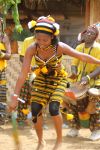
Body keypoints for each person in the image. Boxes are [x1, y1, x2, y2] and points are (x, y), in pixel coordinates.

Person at [9, 16, 100, 150]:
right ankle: (40, 141)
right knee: (35, 110)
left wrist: (99, 62)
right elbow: (23, 74)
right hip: (41, 79)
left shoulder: (60, 47)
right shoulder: (31, 49)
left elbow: (81, 56)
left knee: (53, 108)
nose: (41, 43)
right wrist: (15, 97)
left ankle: (59, 141)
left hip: (58, 79)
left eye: (45, 40)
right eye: (38, 39)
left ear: (52, 37)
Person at [66, 24, 100, 141]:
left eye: (92, 33)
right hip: (80, 82)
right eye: (87, 32)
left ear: (96, 36)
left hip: (95, 81)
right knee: (74, 105)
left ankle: (96, 130)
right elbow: (74, 63)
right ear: (84, 34)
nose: (89, 34)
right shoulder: (79, 48)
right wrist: (74, 72)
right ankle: (74, 128)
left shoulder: (98, 48)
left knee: (93, 106)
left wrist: (89, 77)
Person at [17, 35, 36, 126]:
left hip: (41, 76)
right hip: (27, 74)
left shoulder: (48, 42)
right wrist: (30, 67)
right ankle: (21, 119)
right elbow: (21, 57)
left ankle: (39, 121)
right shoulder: (27, 40)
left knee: (40, 99)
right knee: (22, 98)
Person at [0, 16, 11, 124]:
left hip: (1, 71)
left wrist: (1, 54)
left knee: (1, 95)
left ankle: (1, 118)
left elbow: (9, 55)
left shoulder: (4, 37)